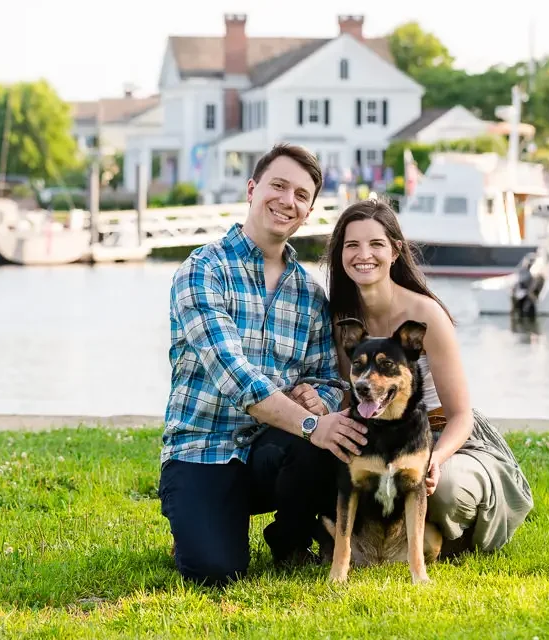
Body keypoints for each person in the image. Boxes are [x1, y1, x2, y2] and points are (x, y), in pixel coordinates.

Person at [159, 143, 367, 587]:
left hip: (273, 448)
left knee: (322, 443)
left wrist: (319, 400)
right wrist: (311, 423)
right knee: (217, 571)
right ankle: (196, 521)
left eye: (301, 195)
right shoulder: (203, 270)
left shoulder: (309, 293)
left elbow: (328, 379)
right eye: (278, 186)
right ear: (252, 189)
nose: (287, 201)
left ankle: (290, 541)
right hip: (203, 449)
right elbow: (234, 376)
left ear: (308, 212)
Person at [321, 197, 534, 555]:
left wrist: (435, 458)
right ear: (340, 253)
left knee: (444, 488)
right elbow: (350, 398)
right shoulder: (343, 319)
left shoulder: (427, 315)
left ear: (395, 251)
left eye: (376, 244)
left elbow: (461, 416)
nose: (363, 254)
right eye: (352, 244)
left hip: (444, 433)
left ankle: (451, 540)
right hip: (380, 435)